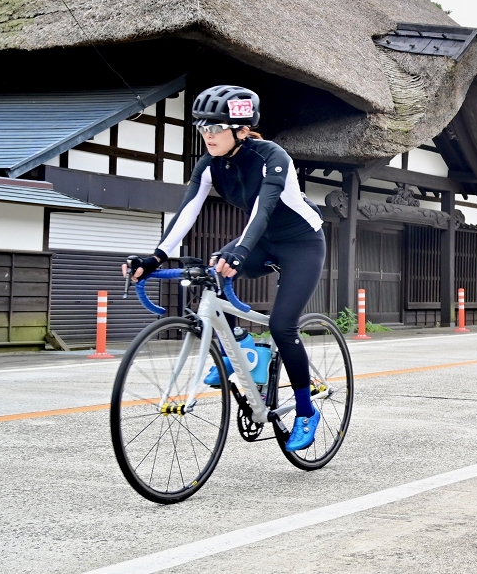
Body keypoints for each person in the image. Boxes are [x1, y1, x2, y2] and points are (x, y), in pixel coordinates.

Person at [123, 85, 326, 452]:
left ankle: (306, 411)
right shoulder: (210, 164)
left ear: (243, 129)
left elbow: (264, 209)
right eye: (203, 127)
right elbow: (187, 210)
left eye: (216, 128)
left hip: (301, 243)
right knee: (212, 271)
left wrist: (239, 251)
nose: (208, 135)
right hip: (260, 239)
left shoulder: (272, 157)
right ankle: (246, 350)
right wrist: (155, 257)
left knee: (282, 326)